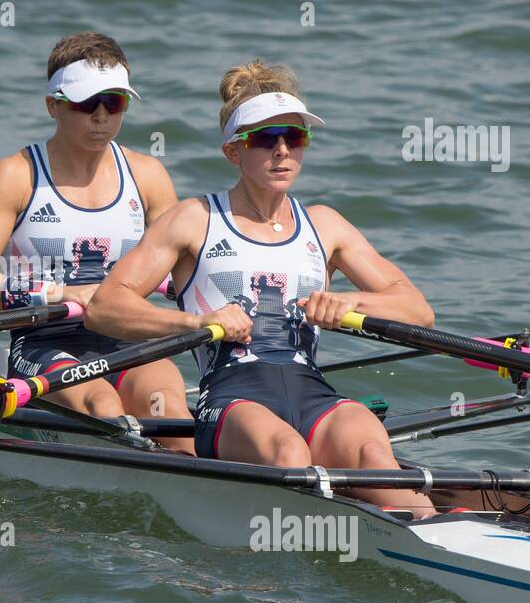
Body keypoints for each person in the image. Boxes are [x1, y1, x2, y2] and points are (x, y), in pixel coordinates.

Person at [84, 60, 436, 514]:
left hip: (313, 394)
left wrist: (345, 300)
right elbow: (106, 307)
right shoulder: (194, 220)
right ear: (234, 151)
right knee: (288, 454)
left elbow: (417, 310)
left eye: (296, 137)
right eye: (265, 139)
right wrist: (198, 321)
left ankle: (436, 539)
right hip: (231, 401)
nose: (283, 151)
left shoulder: (326, 226)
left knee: (373, 456)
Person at [0, 31, 193, 451]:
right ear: (53, 106)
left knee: (169, 410)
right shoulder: (15, 176)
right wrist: (62, 294)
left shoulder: (148, 176)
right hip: (45, 341)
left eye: (114, 103)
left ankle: (196, 493)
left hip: (127, 335)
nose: (101, 117)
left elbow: (183, 274)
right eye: (85, 104)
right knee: (102, 405)